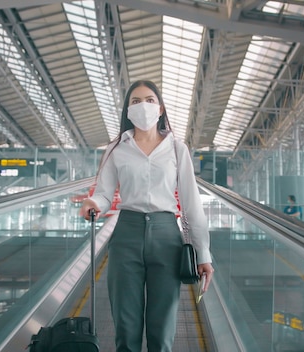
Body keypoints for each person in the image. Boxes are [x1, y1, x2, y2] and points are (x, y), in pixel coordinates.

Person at [79, 80, 214, 352]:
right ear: (128, 110)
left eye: (150, 100)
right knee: (125, 327)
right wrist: (93, 201)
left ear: (161, 108)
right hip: (126, 233)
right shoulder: (116, 148)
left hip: (167, 237)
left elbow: (191, 204)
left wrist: (203, 254)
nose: (143, 106)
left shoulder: (177, 148)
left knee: (162, 329)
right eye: (136, 101)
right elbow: (105, 194)